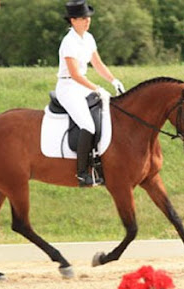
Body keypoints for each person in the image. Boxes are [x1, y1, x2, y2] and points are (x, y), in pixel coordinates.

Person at [56, 0, 125, 187]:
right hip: (68, 87)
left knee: (107, 113)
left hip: (81, 85)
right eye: (83, 18)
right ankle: (81, 173)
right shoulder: (68, 42)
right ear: (72, 20)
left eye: (88, 18)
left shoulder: (88, 38)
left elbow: (98, 64)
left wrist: (113, 81)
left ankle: (100, 162)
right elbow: (75, 74)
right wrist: (96, 88)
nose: (87, 21)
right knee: (88, 125)